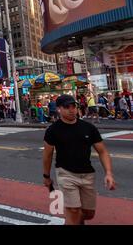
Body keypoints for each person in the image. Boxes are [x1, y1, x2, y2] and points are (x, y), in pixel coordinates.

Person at [42, 94, 116, 225]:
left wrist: (108, 173)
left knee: (88, 214)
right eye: (67, 107)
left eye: (74, 106)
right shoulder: (53, 130)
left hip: (87, 174)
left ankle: (73, 220)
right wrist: (46, 176)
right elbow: (47, 155)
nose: (72, 110)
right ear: (59, 109)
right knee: (74, 210)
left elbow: (102, 151)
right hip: (65, 173)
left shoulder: (88, 128)